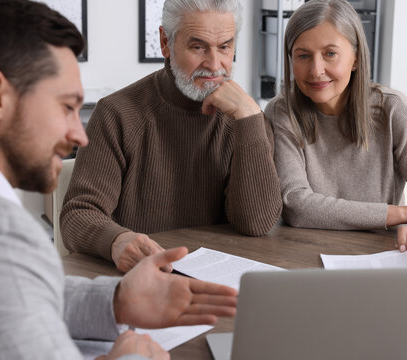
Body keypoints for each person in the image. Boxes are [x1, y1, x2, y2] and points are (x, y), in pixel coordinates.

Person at [0, 1, 237, 359]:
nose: (79, 135)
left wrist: (115, 300)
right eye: (66, 107)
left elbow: (14, 296)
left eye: (225, 46)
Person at [60, 0, 282, 273]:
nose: (214, 65)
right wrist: (117, 241)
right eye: (198, 46)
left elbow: (256, 224)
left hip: (218, 280)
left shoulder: (245, 119)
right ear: (165, 41)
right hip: (141, 279)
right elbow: (77, 214)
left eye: (224, 47)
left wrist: (250, 119)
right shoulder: (116, 113)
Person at [266, 0, 407, 253]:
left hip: (378, 257)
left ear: (355, 59)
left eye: (330, 53)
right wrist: (406, 212)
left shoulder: (392, 109)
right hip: (301, 255)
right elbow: (296, 205)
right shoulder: (281, 112)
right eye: (303, 55)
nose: (316, 70)